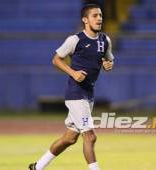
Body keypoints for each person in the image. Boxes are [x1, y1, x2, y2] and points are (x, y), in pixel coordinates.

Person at [29, 4, 114, 170]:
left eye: (100, 15)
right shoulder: (75, 40)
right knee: (90, 137)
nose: (99, 18)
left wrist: (108, 64)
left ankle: (37, 167)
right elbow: (56, 59)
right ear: (85, 20)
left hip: (89, 94)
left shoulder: (105, 40)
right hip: (76, 94)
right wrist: (73, 73)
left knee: (69, 138)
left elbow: (109, 59)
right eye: (95, 15)